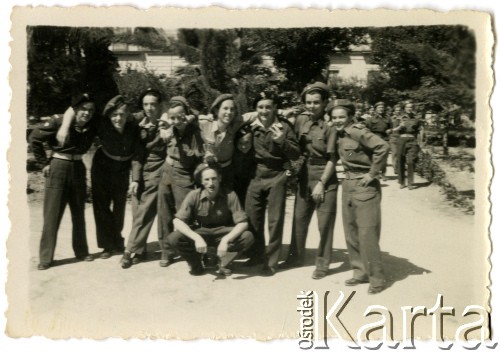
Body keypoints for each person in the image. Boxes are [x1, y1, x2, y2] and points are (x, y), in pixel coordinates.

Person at [57, 95, 144, 259]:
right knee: (101, 207)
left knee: (119, 207)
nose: (118, 118)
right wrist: (63, 127)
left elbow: (153, 114)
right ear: (108, 115)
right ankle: (106, 245)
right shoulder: (101, 122)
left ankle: (117, 240)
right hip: (102, 166)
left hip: (122, 169)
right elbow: (74, 108)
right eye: (114, 114)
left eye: (122, 114)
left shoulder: (134, 126)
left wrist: (136, 178)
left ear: (128, 115)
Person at [29, 93, 96, 270]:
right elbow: (34, 138)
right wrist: (43, 163)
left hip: (78, 167)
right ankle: (45, 258)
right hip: (58, 166)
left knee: (79, 213)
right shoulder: (58, 121)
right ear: (74, 110)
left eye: (90, 110)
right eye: (83, 109)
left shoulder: (91, 125)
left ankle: (81, 251)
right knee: (52, 214)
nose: (87, 113)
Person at [328, 98, 389, 294]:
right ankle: (359, 272)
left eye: (341, 117)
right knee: (351, 232)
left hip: (365, 186)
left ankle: (377, 279)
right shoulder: (339, 134)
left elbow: (382, 147)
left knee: (367, 234)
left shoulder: (357, 131)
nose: (337, 120)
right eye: (334, 117)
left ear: (350, 116)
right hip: (347, 183)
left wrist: (372, 173)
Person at [281, 82, 338, 279]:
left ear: (324, 103)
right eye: (308, 102)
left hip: (325, 174)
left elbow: (333, 158)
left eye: (316, 102)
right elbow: (292, 142)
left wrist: (322, 182)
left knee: (324, 224)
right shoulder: (301, 120)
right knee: (299, 219)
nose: (312, 106)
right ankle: (295, 257)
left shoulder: (331, 125)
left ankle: (322, 264)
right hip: (305, 172)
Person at [244, 91, 300, 276]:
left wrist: (281, 141)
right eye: (260, 107)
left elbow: (295, 154)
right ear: (255, 109)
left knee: (275, 220)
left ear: (275, 107)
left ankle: (272, 260)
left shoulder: (284, 126)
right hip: (255, 174)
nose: (264, 110)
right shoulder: (250, 127)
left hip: (277, 175)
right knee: (253, 218)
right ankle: (257, 254)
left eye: (268, 106)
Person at [167, 163, 254, 276]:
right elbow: (177, 221)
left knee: (247, 237)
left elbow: (243, 223)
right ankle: (196, 263)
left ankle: (224, 262)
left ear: (220, 179)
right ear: (202, 181)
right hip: (201, 231)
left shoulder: (230, 195)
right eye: (207, 179)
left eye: (214, 179)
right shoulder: (194, 195)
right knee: (174, 238)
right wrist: (196, 238)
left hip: (222, 233)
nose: (211, 183)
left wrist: (225, 240)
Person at [155, 96, 205, 268]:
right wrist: (168, 122)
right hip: (167, 169)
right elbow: (164, 120)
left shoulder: (195, 130)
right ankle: (166, 251)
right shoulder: (168, 125)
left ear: (187, 114)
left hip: (184, 173)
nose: (176, 120)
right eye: (173, 117)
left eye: (180, 116)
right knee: (164, 212)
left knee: (184, 214)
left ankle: (189, 251)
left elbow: (198, 155)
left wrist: (187, 120)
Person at [120, 88, 167, 268]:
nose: (149, 108)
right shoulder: (138, 122)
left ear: (160, 105)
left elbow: (190, 113)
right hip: (139, 167)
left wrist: (167, 121)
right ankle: (140, 250)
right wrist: (135, 178)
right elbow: (137, 153)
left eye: (153, 104)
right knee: (136, 208)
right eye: (146, 104)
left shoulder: (167, 121)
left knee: (145, 211)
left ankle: (128, 251)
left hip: (158, 169)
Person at [396, 101, 424, 190]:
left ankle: (410, 182)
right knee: (401, 160)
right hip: (402, 140)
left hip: (412, 140)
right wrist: (400, 126)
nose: (409, 108)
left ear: (413, 108)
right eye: (407, 107)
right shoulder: (399, 117)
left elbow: (420, 130)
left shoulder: (416, 119)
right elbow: (393, 130)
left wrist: (421, 142)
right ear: (404, 108)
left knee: (410, 161)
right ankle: (402, 182)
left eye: (411, 107)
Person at [364, 101, 391, 180]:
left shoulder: (388, 118)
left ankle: (383, 174)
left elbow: (391, 128)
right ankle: (375, 173)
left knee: (384, 157)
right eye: (379, 107)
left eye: (383, 107)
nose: (381, 109)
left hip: (384, 138)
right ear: (375, 109)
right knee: (374, 157)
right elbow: (366, 128)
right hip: (374, 138)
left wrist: (390, 130)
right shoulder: (371, 119)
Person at [232, 124, 256, 206]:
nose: (243, 146)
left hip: (248, 183)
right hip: (234, 182)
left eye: (247, 143)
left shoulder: (254, 154)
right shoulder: (233, 154)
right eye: (240, 143)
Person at [387, 104, 402, 174]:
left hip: (401, 138)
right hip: (393, 138)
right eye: (396, 110)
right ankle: (396, 168)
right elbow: (390, 129)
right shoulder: (391, 119)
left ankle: (399, 167)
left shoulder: (403, 118)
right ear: (394, 111)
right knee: (395, 153)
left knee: (401, 154)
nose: (398, 112)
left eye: (399, 110)